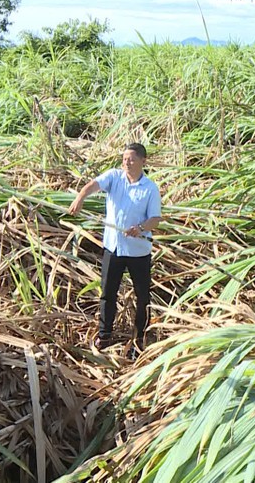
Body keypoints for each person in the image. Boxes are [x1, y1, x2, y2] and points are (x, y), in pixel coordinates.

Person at [68, 143, 162, 356]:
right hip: (113, 248)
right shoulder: (114, 177)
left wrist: (140, 228)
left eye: (131, 159)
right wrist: (80, 197)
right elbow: (93, 185)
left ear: (143, 161)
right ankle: (105, 334)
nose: (126, 162)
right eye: (124, 158)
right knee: (107, 293)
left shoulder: (150, 188)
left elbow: (155, 219)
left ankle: (139, 339)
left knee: (142, 296)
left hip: (138, 252)